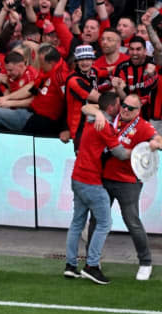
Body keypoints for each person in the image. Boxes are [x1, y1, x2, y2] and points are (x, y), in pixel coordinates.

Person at [86, 93, 162, 280]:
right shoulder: (111, 117)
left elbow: (159, 139)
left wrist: (154, 143)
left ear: (139, 111)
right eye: (124, 105)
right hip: (104, 178)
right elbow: (85, 108)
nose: (126, 110)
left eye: (131, 108)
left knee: (132, 221)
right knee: (96, 219)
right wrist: (99, 114)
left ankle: (145, 262)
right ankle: (92, 262)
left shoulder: (143, 127)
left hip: (128, 182)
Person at [64, 92, 132, 285]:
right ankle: (92, 266)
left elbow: (86, 107)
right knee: (104, 223)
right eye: (119, 105)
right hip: (91, 181)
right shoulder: (104, 127)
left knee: (77, 222)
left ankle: (70, 266)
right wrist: (140, 151)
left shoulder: (92, 119)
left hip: (77, 177)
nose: (121, 108)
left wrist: (98, 113)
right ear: (111, 108)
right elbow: (119, 154)